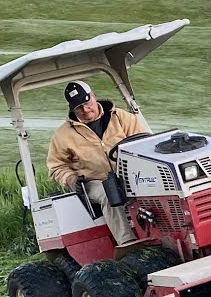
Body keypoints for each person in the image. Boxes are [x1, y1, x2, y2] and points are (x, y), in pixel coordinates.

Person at [47, 80, 149, 244]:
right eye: (79, 107)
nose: (85, 109)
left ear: (93, 96)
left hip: (130, 174)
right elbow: (56, 167)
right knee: (108, 192)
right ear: (72, 109)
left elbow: (145, 143)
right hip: (93, 182)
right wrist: (71, 180)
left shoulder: (121, 117)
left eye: (87, 103)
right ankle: (127, 242)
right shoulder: (63, 135)